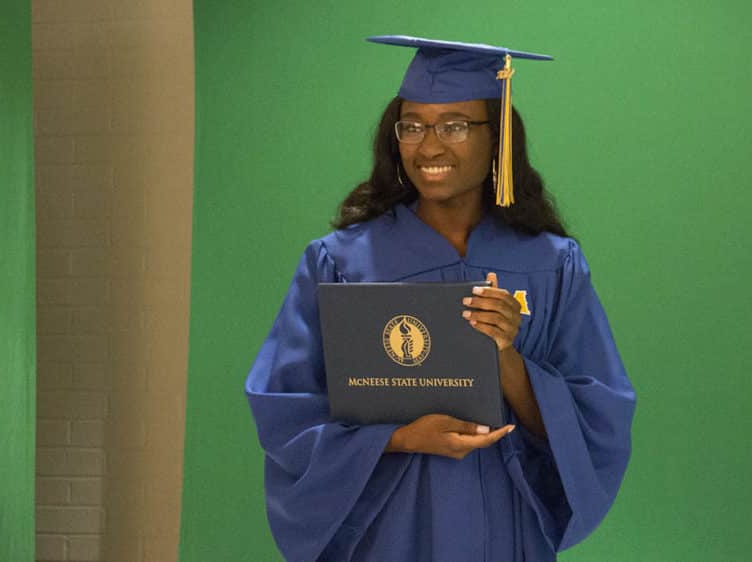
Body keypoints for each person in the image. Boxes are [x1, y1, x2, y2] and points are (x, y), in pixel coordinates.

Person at [245, 36, 636, 562]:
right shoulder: (341, 261)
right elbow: (285, 409)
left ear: (496, 137)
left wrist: (507, 363)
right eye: (412, 126)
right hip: (388, 526)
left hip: (505, 524)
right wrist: (402, 438)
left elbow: (598, 421)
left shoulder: (551, 263)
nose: (428, 146)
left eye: (454, 125)